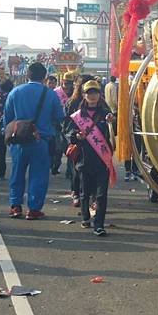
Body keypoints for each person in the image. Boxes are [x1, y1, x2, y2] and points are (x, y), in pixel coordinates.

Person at [4, 62, 65, 219]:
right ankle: (34, 209)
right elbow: (59, 116)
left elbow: (7, 119)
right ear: (44, 77)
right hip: (41, 141)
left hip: (18, 140)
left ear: (27, 75)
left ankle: (15, 206)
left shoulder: (15, 92)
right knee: (39, 175)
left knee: (17, 173)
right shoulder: (50, 94)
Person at [66, 80, 115, 236]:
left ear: (99, 94)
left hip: (102, 160)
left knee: (101, 194)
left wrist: (112, 123)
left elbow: (115, 134)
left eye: (95, 92)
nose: (92, 96)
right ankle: (86, 217)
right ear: (84, 95)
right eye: (89, 93)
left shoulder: (106, 114)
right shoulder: (78, 115)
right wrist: (76, 136)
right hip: (84, 159)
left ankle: (99, 224)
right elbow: (68, 133)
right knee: (85, 193)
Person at [64, 74, 95, 206]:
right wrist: (75, 135)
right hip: (78, 142)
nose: (90, 93)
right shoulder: (72, 103)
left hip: (94, 143)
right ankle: (76, 193)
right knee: (76, 170)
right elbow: (66, 126)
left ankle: (93, 197)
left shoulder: (100, 104)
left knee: (95, 171)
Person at [51, 72, 75, 174]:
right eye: (66, 83)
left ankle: (69, 171)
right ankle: (55, 165)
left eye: (70, 83)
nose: (68, 85)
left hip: (70, 123)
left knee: (71, 147)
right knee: (58, 147)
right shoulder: (55, 92)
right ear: (62, 82)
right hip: (57, 123)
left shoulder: (75, 93)